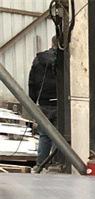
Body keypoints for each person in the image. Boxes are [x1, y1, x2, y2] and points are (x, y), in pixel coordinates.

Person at [28, 36, 59, 168]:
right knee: (59, 138)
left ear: (52, 43)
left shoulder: (38, 60)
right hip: (60, 104)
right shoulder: (64, 60)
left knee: (44, 136)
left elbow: (32, 82)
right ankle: (56, 164)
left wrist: (32, 102)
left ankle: (41, 164)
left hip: (43, 103)